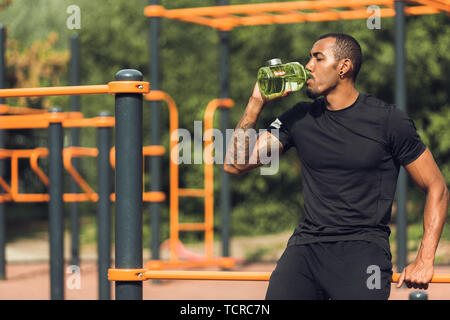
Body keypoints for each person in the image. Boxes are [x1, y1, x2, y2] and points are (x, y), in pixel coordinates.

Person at [223, 33, 449, 300]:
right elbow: (234, 165)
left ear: (343, 67)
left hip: (364, 251)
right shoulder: (299, 118)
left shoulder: (388, 120)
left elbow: (437, 187)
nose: (308, 66)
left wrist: (424, 259)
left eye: (318, 58)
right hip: (306, 247)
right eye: (310, 58)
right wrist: (256, 102)